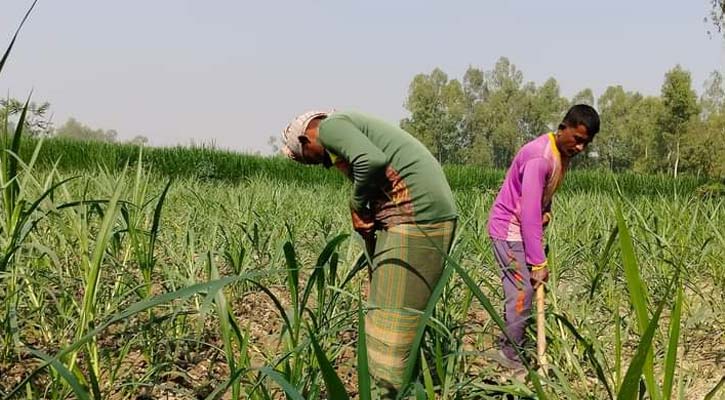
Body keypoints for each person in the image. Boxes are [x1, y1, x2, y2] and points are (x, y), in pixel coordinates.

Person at [281, 110, 458, 396]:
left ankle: (388, 393)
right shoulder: (346, 129)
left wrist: (356, 203)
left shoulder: (331, 128)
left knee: (393, 325)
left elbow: (372, 161)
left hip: (418, 217)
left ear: (306, 139)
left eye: (308, 158)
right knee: (386, 314)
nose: (318, 166)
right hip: (411, 218)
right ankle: (395, 388)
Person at [486, 104, 600, 370]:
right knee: (522, 292)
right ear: (563, 129)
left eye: (587, 143)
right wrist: (538, 262)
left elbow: (539, 201)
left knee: (522, 292)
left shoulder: (561, 155)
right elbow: (527, 214)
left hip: (522, 227)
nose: (581, 148)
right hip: (509, 230)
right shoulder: (540, 157)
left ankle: (514, 345)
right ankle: (509, 359)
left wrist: (545, 212)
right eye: (578, 140)